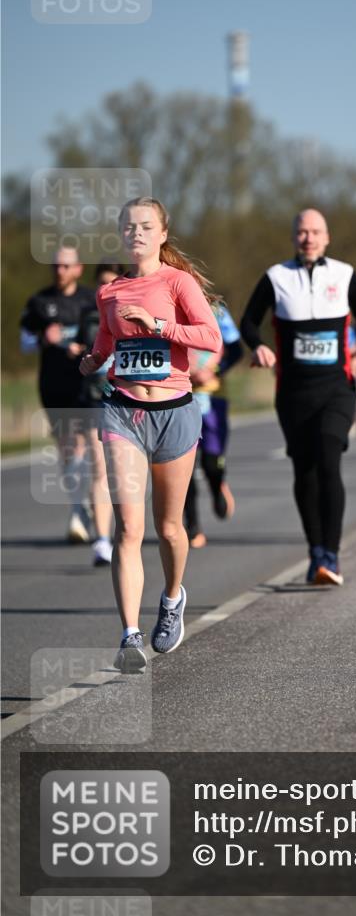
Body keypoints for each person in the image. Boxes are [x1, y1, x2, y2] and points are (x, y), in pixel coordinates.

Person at [79, 197, 222, 673]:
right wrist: (92, 360)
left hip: (175, 411)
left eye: (146, 226)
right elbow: (106, 341)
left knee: (168, 528)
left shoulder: (177, 282)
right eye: (129, 226)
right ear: (121, 234)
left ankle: (173, 596)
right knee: (129, 530)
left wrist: (158, 324)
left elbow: (210, 337)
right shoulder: (109, 292)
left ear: (162, 233)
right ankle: (129, 635)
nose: (136, 232)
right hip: (122, 412)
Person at [240, 208, 356, 586]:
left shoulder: (345, 274)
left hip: (337, 388)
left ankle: (331, 555)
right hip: (294, 393)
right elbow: (248, 320)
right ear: (294, 236)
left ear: (327, 237)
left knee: (329, 459)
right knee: (305, 471)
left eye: (316, 232)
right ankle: (316, 551)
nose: (309, 238)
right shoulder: (277, 277)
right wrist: (258, 346)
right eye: (302, 232)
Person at [20, 246, 97, 543]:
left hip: (86, 384)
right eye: (56, 266)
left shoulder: (90, 300)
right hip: (53, 384)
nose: (60, 271)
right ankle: (80, 508)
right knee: (67, 449)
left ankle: (82, 511)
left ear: (78, 269)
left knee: (83, 446)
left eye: (66, 266)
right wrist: (42, 338)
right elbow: (24, 342)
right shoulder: (39, 302)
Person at [77, 263, 124, 565]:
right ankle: (102, 540)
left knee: (127, 474)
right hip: (96, 399)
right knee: (99, 469)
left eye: (111, 284)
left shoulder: (130, 312)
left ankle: (127, 531)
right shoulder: (88, 316)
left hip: (130, 399)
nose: (105, 291)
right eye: (101, 285)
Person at [184, 304, 243, 548]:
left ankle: (217, 484)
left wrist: (215, 370)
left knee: (211, 461)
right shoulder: (168, 305)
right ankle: (193, 526)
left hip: (213, 395)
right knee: (184, 466)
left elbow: (236, 350)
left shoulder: (217, 311)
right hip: (180, 396)